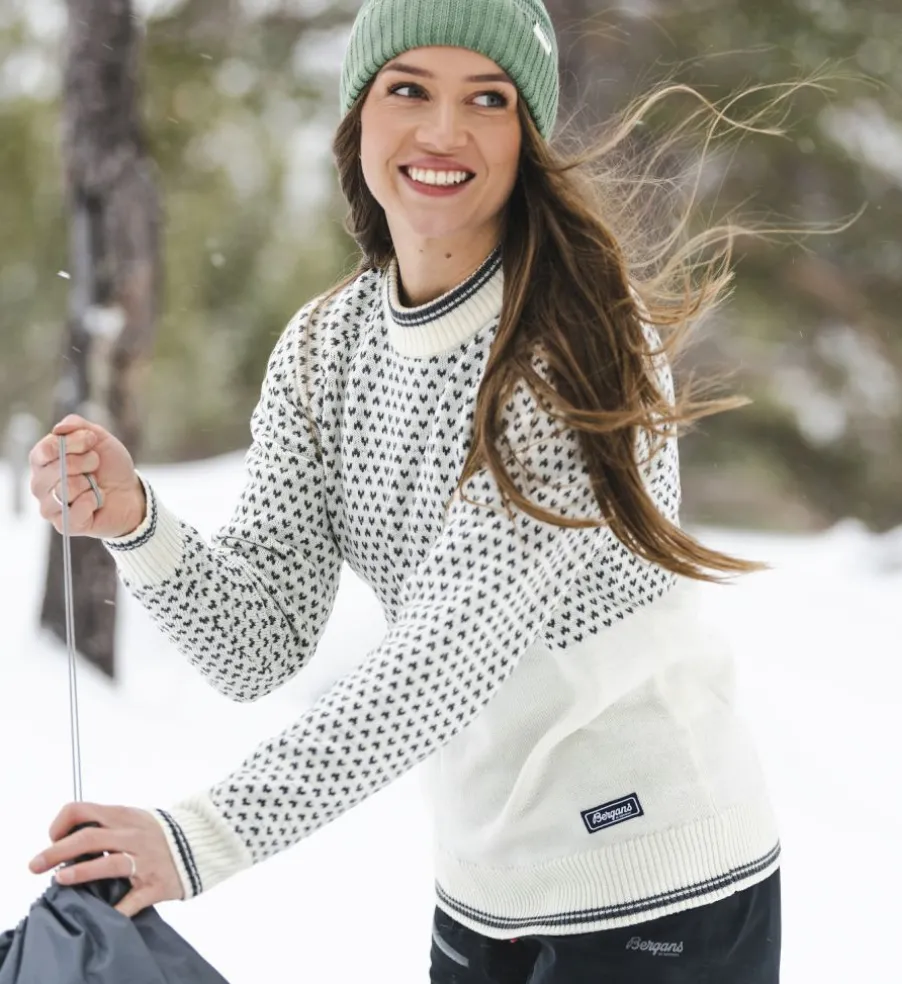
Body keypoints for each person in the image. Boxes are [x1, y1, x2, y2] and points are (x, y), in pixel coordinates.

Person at [27, 1, 783, 980]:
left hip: (663, 884)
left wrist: (199, 837)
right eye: (409, 89)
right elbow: (259, 643)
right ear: (359, 118)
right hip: (483, 889)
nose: (442, 131)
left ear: (528, 137)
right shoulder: (326, 349)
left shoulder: (578, 351)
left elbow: (439, 661)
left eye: (488, 99)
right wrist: (137, 524)